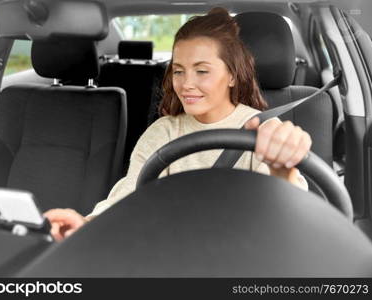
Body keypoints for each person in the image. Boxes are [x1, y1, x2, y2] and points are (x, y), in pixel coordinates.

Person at [44, 7, 311, 241]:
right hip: (173, 251)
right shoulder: (165, 131)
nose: (186, 84)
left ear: (232, 75)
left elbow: (287, 215)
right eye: (179, 71)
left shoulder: (263, 130)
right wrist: (85, 226)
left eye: (202, 71)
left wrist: (283, 170)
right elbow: (127, 196)